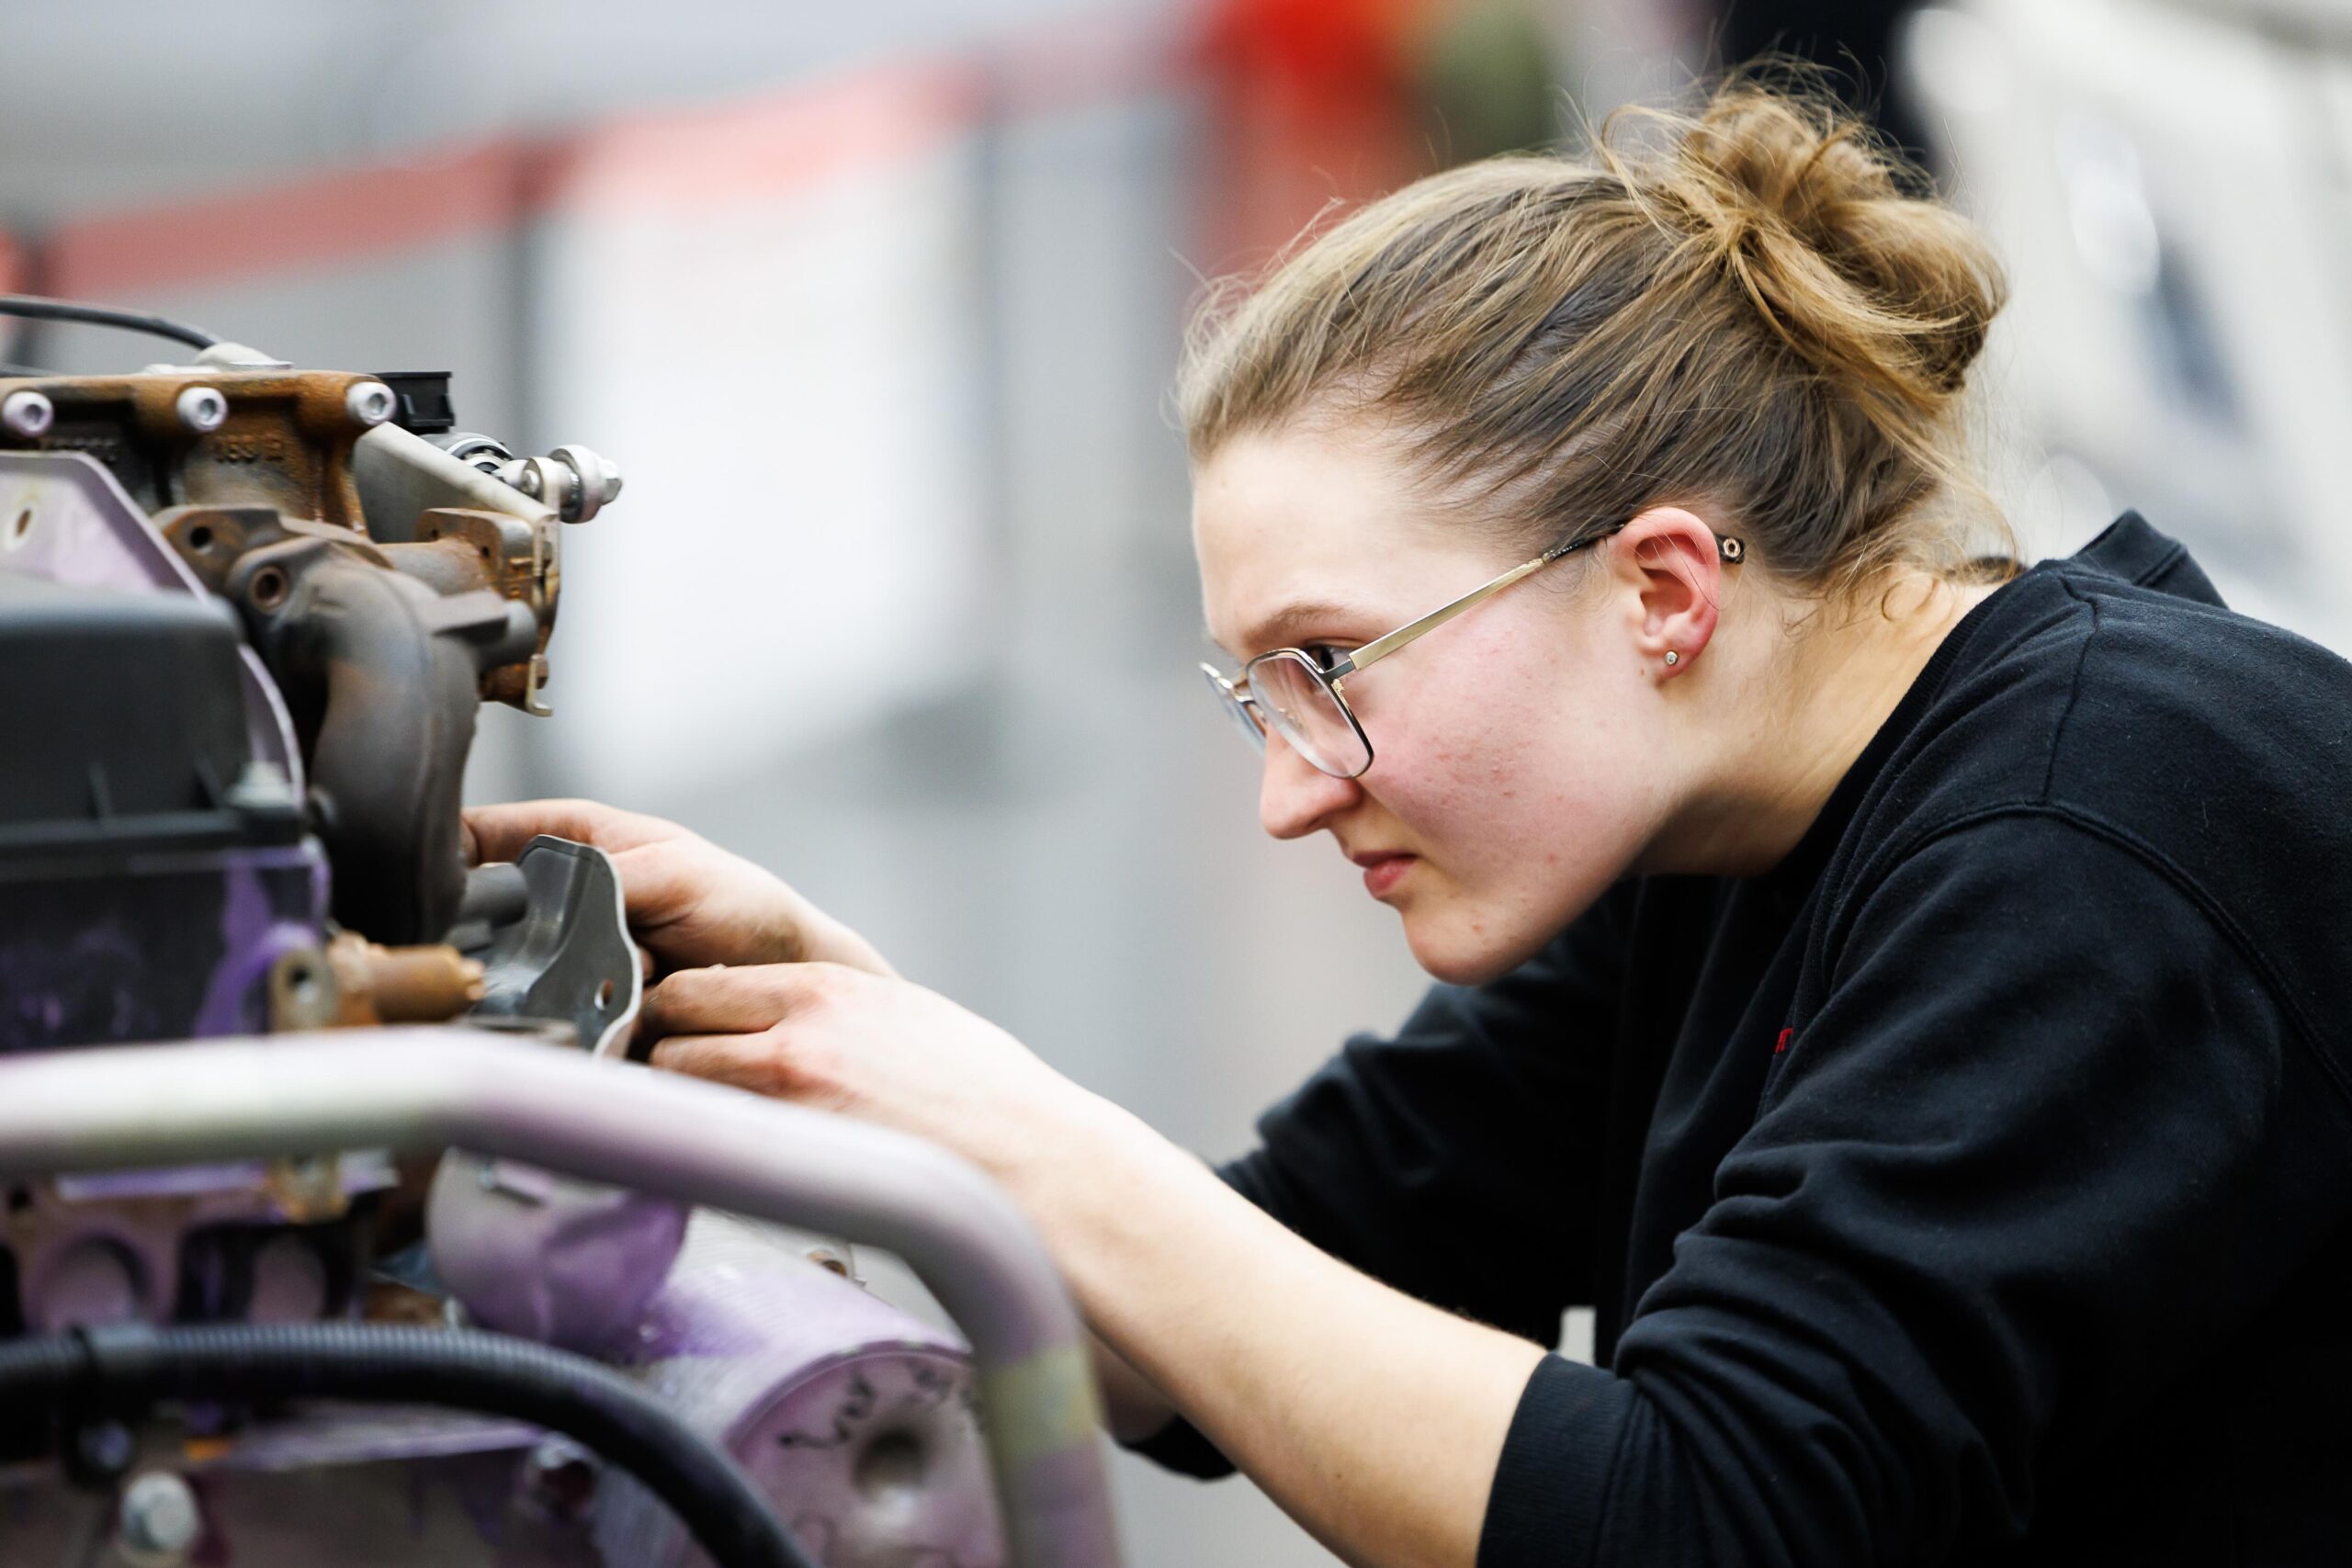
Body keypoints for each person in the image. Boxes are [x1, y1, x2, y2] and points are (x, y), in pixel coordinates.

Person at [464, 75, 2352, 1568]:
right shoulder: (1707, 817)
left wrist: (1006, 1118)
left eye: (1330, 663)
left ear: (1660, 592)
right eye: (1253, 693)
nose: (1287, 790)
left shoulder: (2099, 833)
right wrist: (847, 1052)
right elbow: (1221, 1325)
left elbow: (1695, 1519)